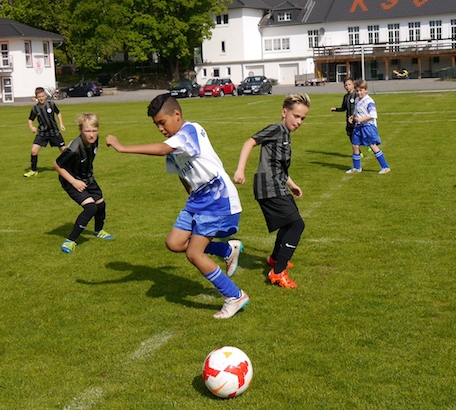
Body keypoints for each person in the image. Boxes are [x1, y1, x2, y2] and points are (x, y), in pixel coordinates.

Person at [105, 93, 247, 319]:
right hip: (198, 200)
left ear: (177, 114)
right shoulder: (174, 143)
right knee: (174, 243)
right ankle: (227, 250)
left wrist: (123, 148)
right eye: (157, 125)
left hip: (217, 198)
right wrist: (190, 194)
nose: (160, 128)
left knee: (194, 254)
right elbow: (182, 172)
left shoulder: (190, 131)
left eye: (162, 122)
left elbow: (163, 149)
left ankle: (234, 295)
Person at [234, 94, 310, 289]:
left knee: (289, 224)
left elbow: (278, 166)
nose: (299, 122)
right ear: (284, 112)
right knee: (297, 225)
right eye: (296, 116)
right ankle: (278, 272)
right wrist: (240, 170)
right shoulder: (276, 129)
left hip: (278, 185)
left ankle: (275, 259)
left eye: (303, 118)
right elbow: (249, 142)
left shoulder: (286, 135)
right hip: (268, 186)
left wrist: (291, 184)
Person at [54, 113, 114, 253]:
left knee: (100, 204)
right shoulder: (74, 148)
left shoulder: (95, 140)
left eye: (94, 130)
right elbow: (57, 165)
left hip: (87, 177)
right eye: (87, 131)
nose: (91, 135)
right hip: (71, 180)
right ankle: (70, 241)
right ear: (80, 130)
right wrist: (74, 182)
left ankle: (98, 231)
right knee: (90, 208)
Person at [347, 79, 390, 175]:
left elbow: (373, 115)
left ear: (366, 90)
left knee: (373, 146)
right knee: (355, 145)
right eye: (357, 91)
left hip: (368, 127)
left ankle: (385, 167)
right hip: (359, 126)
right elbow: (357, 111)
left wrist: (361, 119)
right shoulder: (357, 100)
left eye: (361, 90)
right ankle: (357, 167)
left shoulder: (369, 101)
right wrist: (353, 116)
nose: (359, 93)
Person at [24, 86, 65, 177]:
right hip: (42, 133)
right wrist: (31, 127)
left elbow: (58, 113)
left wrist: (61, 124)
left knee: (63, 150)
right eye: (39, 97)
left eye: (42, 96)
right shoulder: (35, 109)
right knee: (33, 151)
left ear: (45, 96)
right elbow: (30, 119)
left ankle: (71, 167)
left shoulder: (51, 104)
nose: (41, 98)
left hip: (54, 132)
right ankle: (34, 170)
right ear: (36, 97)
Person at [330, 77, 356, 147]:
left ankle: (369, 145)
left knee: (360, 135)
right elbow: (344, 108)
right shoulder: (346, 97)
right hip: (349, 120)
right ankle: (358, 152)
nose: (347, 87)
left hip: (357, 120)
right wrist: (335, 109)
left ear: (353, 85)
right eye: (346, 85)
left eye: (349, 84)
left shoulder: (357, 95)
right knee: (351, 137)